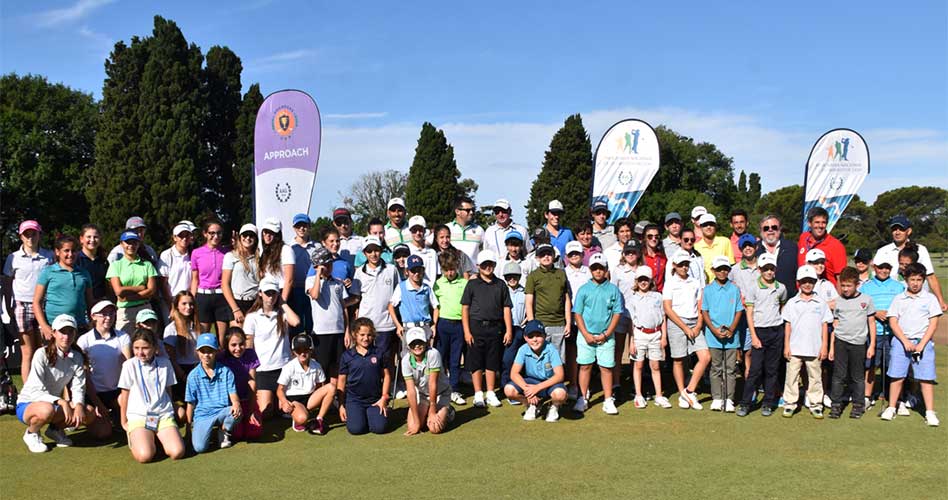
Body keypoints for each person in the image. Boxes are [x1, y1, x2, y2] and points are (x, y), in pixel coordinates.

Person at [16, 314, 91, 453]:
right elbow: (35, 390)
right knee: (47, 410)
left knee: (89, 413)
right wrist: (61, 402)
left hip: (54, 404)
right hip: (28, 404)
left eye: (70, 331)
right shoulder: (41, 354)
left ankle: (54, 430)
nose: (66, 336)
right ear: (54, 333)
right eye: (62, 332)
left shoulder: (77, 356)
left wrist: (79, 404)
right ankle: (31, 433)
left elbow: (78, 386)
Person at [881, 263, 942, 426]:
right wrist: (905, 341)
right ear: (906, 280)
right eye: (912, 279)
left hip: (923, 342)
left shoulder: (930, 298)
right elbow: (893, 321)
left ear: (923, 281)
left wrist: (922, 344)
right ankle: (892, 407)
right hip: (902, 342)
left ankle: (929, 412)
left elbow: (933, 323)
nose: (915, 283)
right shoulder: (899, 298)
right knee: (897, 376)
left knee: (926, 378)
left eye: (919, 279)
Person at [118, 328, 185, 463]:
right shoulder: (129, 365)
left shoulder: (165, 363)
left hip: (162, 415)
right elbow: (124, 395)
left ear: (154, 347)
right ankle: (141, 439)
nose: (140, 352)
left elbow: (168, 390)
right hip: (139, 416)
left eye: (145, 348)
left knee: (177, 452)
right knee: (145, 456)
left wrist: (171, 411)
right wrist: (124, 421)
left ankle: (157, 439)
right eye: (136, 348)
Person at [736, 253, 787, 417]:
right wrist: (754, 336)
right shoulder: (753, 288)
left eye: (771, 269)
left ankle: (768, 402)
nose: (769, 272)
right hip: (759, 331)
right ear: (760, 270)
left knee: (772, 370)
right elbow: (749, 314)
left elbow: (782, 306)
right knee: (755, 370)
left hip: (776, 331)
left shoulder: (781, 288)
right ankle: (745, 403)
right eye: (766, 269)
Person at [461, 250, 514, 408]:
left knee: (492, 362)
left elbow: (506, 308)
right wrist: (467, 332)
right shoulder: (472, 284)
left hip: (496, 327)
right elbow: (465, 308)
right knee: (476, 362)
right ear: (478, 266)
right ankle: (478, 393)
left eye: (490, 264)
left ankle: (490, 392)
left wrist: (509, 330)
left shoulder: (500, 284)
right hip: (476, 326)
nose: (488, 267)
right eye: (484, 265)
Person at [572, 253, 623, 415]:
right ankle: (582, 398)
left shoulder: (613, 290)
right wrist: (586, 334)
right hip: (586, 336)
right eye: (595, 268)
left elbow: (617, 313)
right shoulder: (584, 289)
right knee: (585, 366)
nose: (598, 271)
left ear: (606, 269)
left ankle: (608, 400)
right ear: (590, 270)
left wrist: (607, 334)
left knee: (606, 367)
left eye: (601, 268)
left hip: (606, 337)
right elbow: (577, 314)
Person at [4, 220, 54, 381]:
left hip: (44, 305)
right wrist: (9, 307)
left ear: (40, 235)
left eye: (34, 233)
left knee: (44, 349)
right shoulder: (13, 258)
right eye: (27, 234)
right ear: (21, 237)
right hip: (21, 305)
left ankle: (45, 387)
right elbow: (7, 282)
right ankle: (27, 393)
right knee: (27, 351)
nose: (30, 237)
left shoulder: (49, 256)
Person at [781, 265, 832, 419]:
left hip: (814, 348)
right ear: (798, 283)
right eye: (804, 281)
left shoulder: (821, 302)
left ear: (815, 282)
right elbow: (787, 325)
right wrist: (786, 346)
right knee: (791, 378)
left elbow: (825, 325)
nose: (807, 284)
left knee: (815, 377)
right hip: (795, 348)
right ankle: (790, 404)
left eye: (810, 281)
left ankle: (816, 404)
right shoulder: (792, 302)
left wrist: (824, 346)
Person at [243, 278, 300, 418]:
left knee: (286, 411)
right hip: (263, 370)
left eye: (273, 293)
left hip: (284, 368)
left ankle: (279, 400)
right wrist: (250, 371)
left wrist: (283, 303)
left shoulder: (283, 313)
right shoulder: (252, 317)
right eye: (267, 293)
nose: (270, 297)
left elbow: (296, 322)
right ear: (260, 294)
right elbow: (249, 345)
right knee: (265, 412)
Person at [351, 236, 401, 386]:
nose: (373, 254)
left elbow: (398, 295)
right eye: (369, 251)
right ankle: (370, 387)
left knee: (386, 360)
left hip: (386, 324)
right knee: (367, 360)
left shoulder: (391, 270)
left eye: (376, 250)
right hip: (366, 326)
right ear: (364, 254)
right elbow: (356, 298)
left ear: (381, 251)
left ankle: (388, 386)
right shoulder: (359, 272)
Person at [76, 300, 131, 436]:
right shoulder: (84, 340)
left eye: (111, 313)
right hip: (94, 393)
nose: (108, 317)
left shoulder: (123, 336)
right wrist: (98, 404)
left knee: (124, 402)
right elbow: (84, 375)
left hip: (117, 392)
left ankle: (116, 416)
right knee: (103, 433)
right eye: (103, 314)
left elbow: (129, 364)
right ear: (93, 316)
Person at [827, 267, 876, 419]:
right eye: (843, 286)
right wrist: (831, 348)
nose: (846, 289)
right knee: (838, 376)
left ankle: (858, 405)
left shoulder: (866, 300)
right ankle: (836, 405)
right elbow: (836, 324)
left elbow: (871, 323)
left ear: (856, 285)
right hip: (840, 342)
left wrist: (872, 344)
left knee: (857, 376)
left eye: (849, 286)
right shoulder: (838, 302)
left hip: (859, 343)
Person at [663, 250, 707, 410]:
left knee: (705, 357)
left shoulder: (695, 282)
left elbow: (701, 306)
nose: (684, 267)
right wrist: (684, 327)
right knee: (679, 359)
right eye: (681, 264)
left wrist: (697, 326)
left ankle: (689, 390)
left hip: (694, 321)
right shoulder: (670, 283)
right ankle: (682, 392)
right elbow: (667, 308)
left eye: (686, 264)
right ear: (674, 265)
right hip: (676, 323)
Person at [873, 215, 946, 311]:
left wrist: (940, 300)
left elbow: (931, 277)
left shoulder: (921, 249)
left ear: (909, 231)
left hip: (919, 301)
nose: (897, 232)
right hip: (893, 301)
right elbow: (875, 278)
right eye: (894, 229)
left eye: (901, 229)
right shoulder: (882, 251)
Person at [860, 253, 904, 407]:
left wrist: (890, 314)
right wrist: (876, 312)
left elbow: (903, 307)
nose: (884, 270)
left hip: (893, 333)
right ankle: (867, 396)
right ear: (874, 267)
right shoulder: (866, 287)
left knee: (892, 364)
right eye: (880, 267)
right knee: (871, 365)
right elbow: (862, 307)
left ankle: (893, 396)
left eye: (887, 268)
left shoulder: (899, 287)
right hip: (874, 332)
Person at [185, 333, 241, 453]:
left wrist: (236, 403)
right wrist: (188, 429)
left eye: (210, 351)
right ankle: (209, 431)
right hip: (203, 415)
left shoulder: (226, 371)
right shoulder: (193, 376)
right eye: (202, 351)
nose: (206, 355)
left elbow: (233, 395)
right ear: (197, 352)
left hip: (222, 411)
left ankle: (224, 431)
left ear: (216, 351)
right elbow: (190, 403)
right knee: (200, 448)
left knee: (237, 411)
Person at [701, 256, 744, 413]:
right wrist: (713, 329)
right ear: (713, 270)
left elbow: (739, 310)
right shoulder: (708, 290)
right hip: (713, 335)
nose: (722, 272)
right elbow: (704, 311)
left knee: (730, 369)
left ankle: (729, 399)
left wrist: (732, 328)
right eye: (719, 269)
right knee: (716, 368)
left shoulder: (734, 289)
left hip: (731, 336)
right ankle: (717, 398)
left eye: (725, 268)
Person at [504, 320, 568, 422]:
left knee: (560, 394)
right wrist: (528, 390)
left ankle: (554, 406)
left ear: (544, 336)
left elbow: (560, 375)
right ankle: (531, 404)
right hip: (531, 381)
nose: (535, 339)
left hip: (549, 383)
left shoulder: (551, 349)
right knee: (509, 390)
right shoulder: (523, 349)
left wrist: (537, 388)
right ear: (525, 338)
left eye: (538, 335)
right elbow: (514, 373)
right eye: (530, 336)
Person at [337, 317, 392, 435]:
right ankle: (361, 416)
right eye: (362, 334)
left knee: (380, 428)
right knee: (356, 429)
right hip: (354, 400)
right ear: (354, 334)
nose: (366, 338)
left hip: (375, 400)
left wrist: (384, 398)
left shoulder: (379, 353)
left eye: (369, 335)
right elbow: (341, 381)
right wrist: (341, 405)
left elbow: (387, 376)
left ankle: (374, 415)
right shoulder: (347, 356)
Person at [306, 246, 349, 389]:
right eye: (325, 265)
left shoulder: (338, 283)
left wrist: (347, 330)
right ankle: (323, 395)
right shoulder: (311, 280)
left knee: (337, 366)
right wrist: (318, 274)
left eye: (330, 264)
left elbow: (344, 308)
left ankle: (336, 395)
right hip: (321, 332)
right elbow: (315, 295)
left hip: (338, 330)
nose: (328, 267)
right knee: (322, 366)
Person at [627, 266, 670, 409]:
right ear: (636, 281)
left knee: (655, 365)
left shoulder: (657, 296)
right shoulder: (632, 298)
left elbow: (663, 317)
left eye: (646, 279)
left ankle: (659, 395)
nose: (643, 282)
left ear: (650, 280)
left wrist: (664, 337)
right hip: (639, 334)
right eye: (641, 280)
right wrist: (631, 342)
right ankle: (638, 394)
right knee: (638, 365)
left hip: (656, 334)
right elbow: (631, 322)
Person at [34, 235, 94, 335]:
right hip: (55, 328)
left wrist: (92, 323)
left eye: (74, 250)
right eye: (66, 250)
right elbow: (36, 302)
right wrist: (44, 326)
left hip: (79, 326)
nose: (70, 254)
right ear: (57, 252)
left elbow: (89, 302)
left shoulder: (84, 273)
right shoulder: (48, 272)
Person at [525, 243, 571, 370]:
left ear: (553, 256)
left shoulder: (561, 274)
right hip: (541, 323)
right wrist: (531, 324)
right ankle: (541, 386)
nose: (546, 257)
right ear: (538, 258)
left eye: (548, 254)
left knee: (558, 359)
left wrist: (568, 322)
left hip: (559, 324)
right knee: (541, 358)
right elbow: (529, 301)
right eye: (542, 255)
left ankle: (556, 386)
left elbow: (567, 299)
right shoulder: (533, 276)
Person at [277, 334, 334, 435]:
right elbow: (280, 389)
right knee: (302, 419)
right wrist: (284, 401)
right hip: (294, 399)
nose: (302, 353)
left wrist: (318, 399)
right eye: (299, 350)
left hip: (310, 397)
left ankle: (319, 419)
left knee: (331, 387)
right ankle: (297, 417)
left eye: (306, 350)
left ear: (311, 350)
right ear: (294, 352)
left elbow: (320, 385)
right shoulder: (289, 367)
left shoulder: (316, 365)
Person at [402, 327, 454, 435]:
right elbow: (411, 391)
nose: (417, 346)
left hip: (440, 393)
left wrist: (432, 409)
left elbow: (432, 383)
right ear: (408, 346)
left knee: (434, 428)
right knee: (413, 426)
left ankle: (448, 411)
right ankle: (426, 414)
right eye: (413, 343)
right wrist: (416, 422)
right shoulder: (405, 361)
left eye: (420, 342)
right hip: (422, 395)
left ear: (426, 342)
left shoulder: (433, 354)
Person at [432, 251, 467, 405]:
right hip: (442, 324)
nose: (450, 272)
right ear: (442, 269)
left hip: (459, 324)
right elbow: (435, 306)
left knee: (455, 360)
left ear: (457, 267)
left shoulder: (464, 283)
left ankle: (454, 390)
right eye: (446, 270)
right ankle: (439, 389)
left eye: (452, 269)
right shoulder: (438, 284)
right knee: (439, 359)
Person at [106, 231, 158, 331]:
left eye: (134, 242)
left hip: (145, 308)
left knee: (147, 341)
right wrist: (141, 288)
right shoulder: (116, 265)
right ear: (121, 244)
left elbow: (151, 290)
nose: (131, 245)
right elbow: (118, 291)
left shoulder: (147, 265)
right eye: (128, 242)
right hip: (125, 312)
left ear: (139, 244)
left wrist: (129, 298)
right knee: (124, 342)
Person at [218, 327, 262, 440]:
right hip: (230, 403)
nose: (238, 348)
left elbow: (252, 382)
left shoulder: (250, 354)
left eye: (241, 344)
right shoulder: (221, 358)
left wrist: (251, 411)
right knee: (237, 434)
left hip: (247, 399)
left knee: (254, 433)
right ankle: (222, 425)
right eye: (233, 345)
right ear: (227, 345)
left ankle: (248, 417)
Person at [609, 240, 640, 396]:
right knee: (618, 350)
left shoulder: (643, 269)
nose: (630, 255)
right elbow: (613, 292)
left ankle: (636, 386)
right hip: (622, 314)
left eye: (633, 252)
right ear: (623, 254)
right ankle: (616, 384)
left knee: (636, 351)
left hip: (639, 316)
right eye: (628, 252)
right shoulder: (618, 270)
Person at [190, 219, 230, 343]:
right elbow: (195, 279)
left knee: (222, 339)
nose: (215, 236)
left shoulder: (227, 253)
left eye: (219, 233)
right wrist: (192, 299)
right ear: (205, 234)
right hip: (203, 296)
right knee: (204, 337)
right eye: (212, 233)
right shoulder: (197, 253)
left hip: (221, 296)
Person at [388, 254, 439, 349]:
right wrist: (398, 326)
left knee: (425, 356)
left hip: (425, 327)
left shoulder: (427, 288)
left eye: (419, 270)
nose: (416, 274)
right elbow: (391, 306)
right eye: (413, 271)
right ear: (407, 271)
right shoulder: (401, 287)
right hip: (408, 328)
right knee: (407, 356)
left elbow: (435, 307)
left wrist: (434, 325)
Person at [163, 291, 200, 422]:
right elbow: (171, 359)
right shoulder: (171, 329)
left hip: (197, 369)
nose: (188, 307)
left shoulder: (197, 326)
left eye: (191, 304)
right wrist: (184, 377)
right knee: (183, 414)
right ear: (177, 306)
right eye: (184, 304)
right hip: (180, 373)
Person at [730, 234, 759, 376]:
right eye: (745, 246)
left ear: (756, 247)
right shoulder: (734, 270)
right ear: (740, 249)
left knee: (757, 351)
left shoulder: (764, 267)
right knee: (746, 350)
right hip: (742, 315)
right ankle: (749, 384)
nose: (748, 248)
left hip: (760, 315)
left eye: (751, 245)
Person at [797, 207, 847, 287]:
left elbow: (841, 279)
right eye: (817, 222)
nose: (820, 226)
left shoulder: (836, 246)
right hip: (802, 293)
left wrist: (838, 299)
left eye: (823, 222)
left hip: (826, 295)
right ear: (809, 223)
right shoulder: (803, 238)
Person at [222, 223, 260, 326]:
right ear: (240, 237)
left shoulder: (259, 258)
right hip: (237, 301)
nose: (248, 238)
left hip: (255, 302)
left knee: (252, 338)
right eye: (245, 235)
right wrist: (235, 309)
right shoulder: (230, 256)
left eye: (251, 235)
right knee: (237, 337)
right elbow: (225, 284)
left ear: (256, 239)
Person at [500, 261, 527, 401]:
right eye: (509, 276)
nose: (512, 279)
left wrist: (527, 318)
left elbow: (530, 307)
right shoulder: (502, 291)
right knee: (507, 360)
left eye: (515, 276)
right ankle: (505, 387)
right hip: (507, 330)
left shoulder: (525, 292)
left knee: (521, 361)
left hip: (521, 329)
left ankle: (519, 387)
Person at [755, 215, 798, 296]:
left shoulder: (792, 247)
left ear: (780, 230)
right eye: (766, 228)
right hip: (762, 301)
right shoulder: (754, 250)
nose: (770, 230)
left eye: (774, 227)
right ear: (761, 231)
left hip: (788, 301)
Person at [288, 213, 317, 334]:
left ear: (309, 227)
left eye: (304, 225)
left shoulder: (317, 246)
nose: (301, 229)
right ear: (294, 228)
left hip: (313, 289)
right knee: (297, 322)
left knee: (312, 321)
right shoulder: (288, 247)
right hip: (295, 289)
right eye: (298, 226)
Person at [157, 223, 193, 322]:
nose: (184, 238)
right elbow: (162, 282)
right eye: (181, 235)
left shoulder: (193, 254)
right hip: (170, 299)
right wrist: (171, 305)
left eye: (187, 235)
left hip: (187, 300)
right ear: (174, 238)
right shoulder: (166, 255)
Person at [258, 217, 295, 303]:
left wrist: (283, 301)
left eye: (272, 232)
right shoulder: (265, 252)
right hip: (267, 292)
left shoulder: (286, 250)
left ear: (278, 235)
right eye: (266, 232)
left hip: (281, 293)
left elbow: (289, 280)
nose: (268, 235)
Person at [693, 213, 734, 283]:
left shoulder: (725, 241)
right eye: (705, 225)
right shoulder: (696, 247)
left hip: (724, 284)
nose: (708, 227)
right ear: (700, 227)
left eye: (711, 224)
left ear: (715, 226)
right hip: (704, 286)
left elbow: (731, 265)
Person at [76, 224, 111, 302]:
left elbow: (107, 285)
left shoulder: (103, 261)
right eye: (88, 237)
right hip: (81, 304)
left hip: (100, 304)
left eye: (95, 237)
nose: (92, 240)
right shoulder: (76, 260)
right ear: (81, 239)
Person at [447, 196, 484, 264]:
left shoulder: (479, 230)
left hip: (473, 273)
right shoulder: (447, 228)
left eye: (473, 209)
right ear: (457, 211)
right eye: (467, 210)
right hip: (452, 273)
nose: (471, 212)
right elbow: (428, 243)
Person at [407, 216, 439, 283]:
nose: (418, 233)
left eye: (420, 230)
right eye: (414, 230)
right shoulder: (407, 251)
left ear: (425, 231)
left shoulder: (432, 253)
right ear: (410, 231)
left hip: (431, 291)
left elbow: (437, 274)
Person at [641, 223, 667, 292]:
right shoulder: (640, 256)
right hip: (644, 294)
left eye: (656, 236)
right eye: (650, 236)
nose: (653, 239)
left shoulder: (663, 257)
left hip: (660, 295)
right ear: (644, 238)